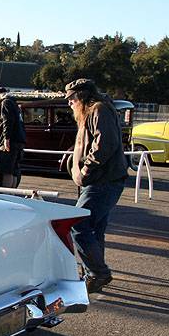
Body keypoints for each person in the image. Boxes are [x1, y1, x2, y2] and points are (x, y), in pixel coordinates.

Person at [65, 78, 128, 293]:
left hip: (103, 181)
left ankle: (97, 273)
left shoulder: (98, 110)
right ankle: (94, 274)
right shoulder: (91, 112)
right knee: (94, 228)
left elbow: (105, 145)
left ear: (81, 96)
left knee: (77, 224)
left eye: (72, 98)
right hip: (100, 180)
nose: (69, 103)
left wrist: (85, 169)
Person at [0, 87, 26, 188]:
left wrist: (6, 139)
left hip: (10, 141)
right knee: (14, 170)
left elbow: (7, 121)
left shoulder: (5, 103)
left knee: (7, 170)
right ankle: (13, 193)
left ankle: (7, 194)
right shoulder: (14, 103)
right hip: (19, 140)